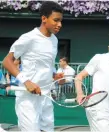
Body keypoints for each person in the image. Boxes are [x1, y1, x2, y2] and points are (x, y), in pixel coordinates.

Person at [2, 1, 63, 131]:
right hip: (27, 99)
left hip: (46, 97)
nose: (59, 25)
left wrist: (55, 76)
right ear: (44, 18)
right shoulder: (28, 38)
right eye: (56, 20)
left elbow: (47, 65)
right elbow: (7, 61)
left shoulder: (54, 40)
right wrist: (26, 81)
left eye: (61, 21)